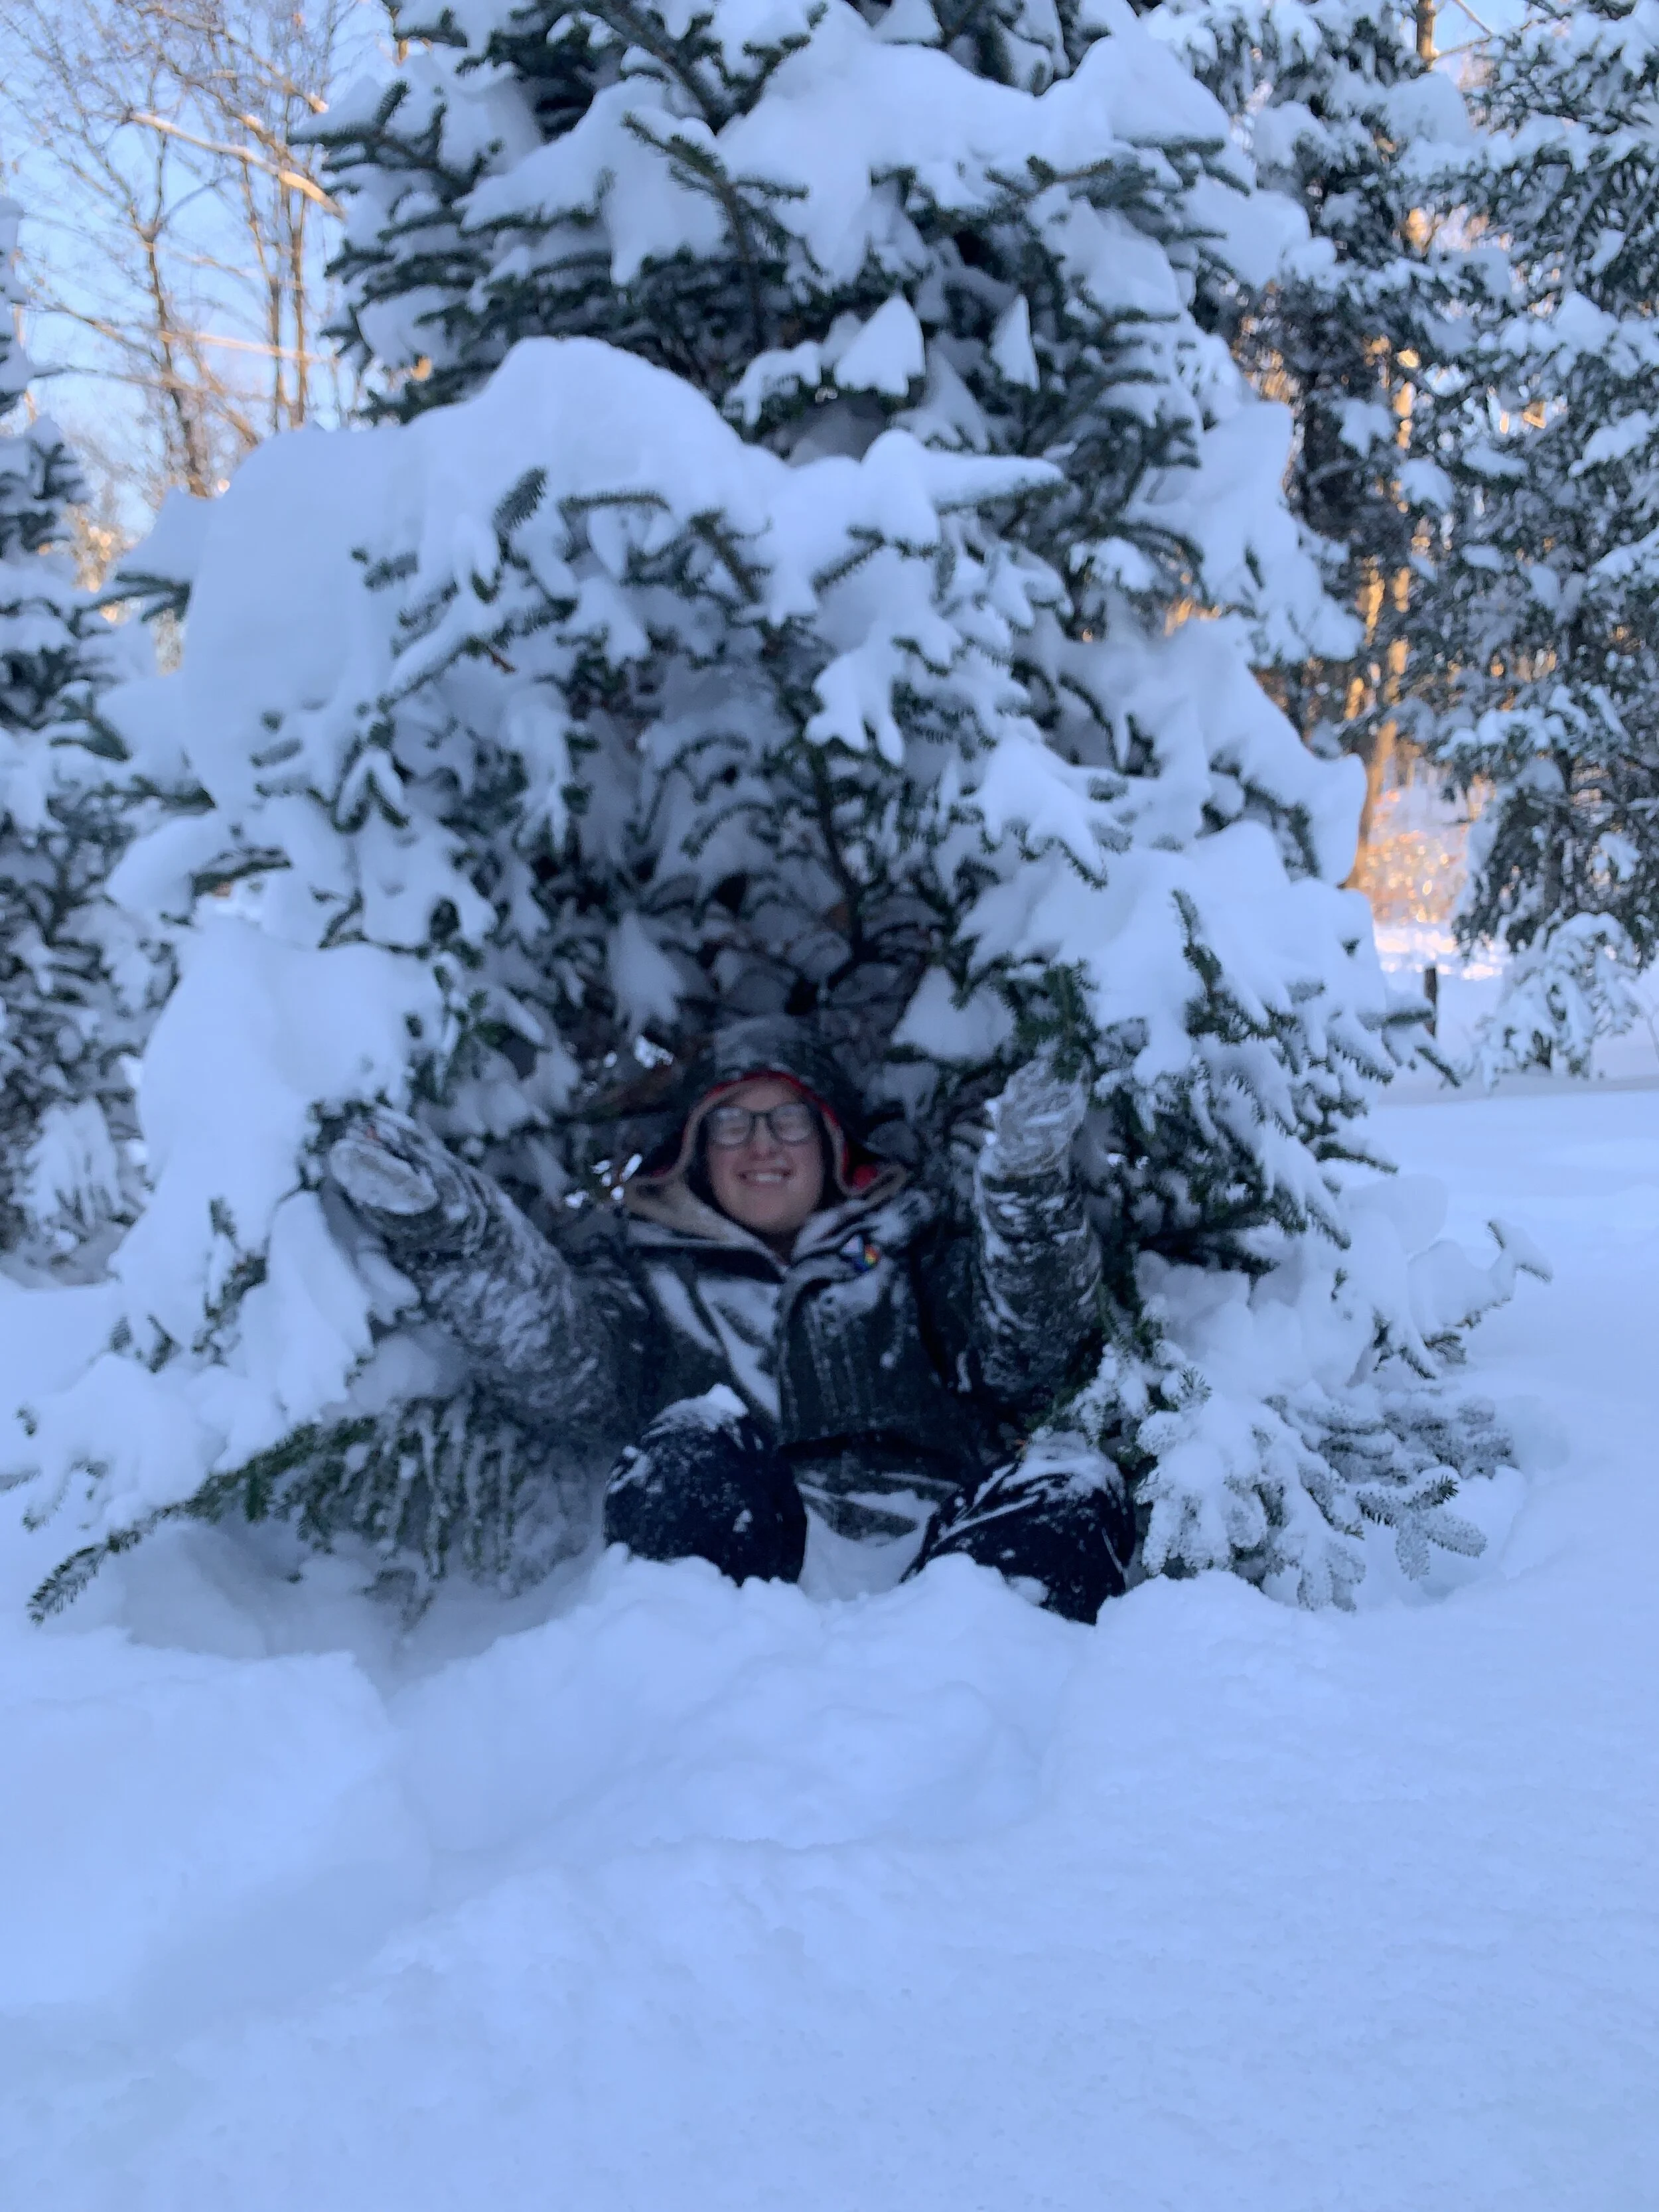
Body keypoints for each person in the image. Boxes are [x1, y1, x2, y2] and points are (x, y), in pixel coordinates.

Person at [328, 1015, 1135, 1622]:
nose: (762, 1144)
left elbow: (1028, 1352)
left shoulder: (915, 1249)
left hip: (940, 1576)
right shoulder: (649, 1272)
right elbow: (565, 1369)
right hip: (737, 1593)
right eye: (730, 1121)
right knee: (689, 1448)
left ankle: (979, 1725)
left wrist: (1026, 1190)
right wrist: (454, 1229)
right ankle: (706, 1705)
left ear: (832, 1144)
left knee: (1071, 1489)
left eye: (789, 1118)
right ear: (694, 1147)